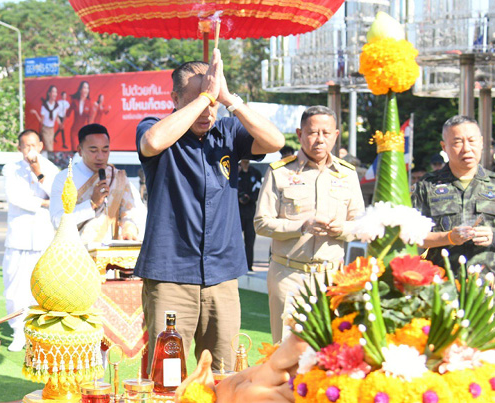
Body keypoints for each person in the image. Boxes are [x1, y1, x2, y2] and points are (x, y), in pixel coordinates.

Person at [136, 49, 285, 372]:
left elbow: (276, 141)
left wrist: (228, 98)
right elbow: (152, 142)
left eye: (212, 101)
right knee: (166, 373)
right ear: (175, 98)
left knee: (225, 372)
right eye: (197, 99)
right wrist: (205, 97)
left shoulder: (228, 130)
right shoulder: (156, 126)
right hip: (170, 274)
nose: (208, 110)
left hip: (221, 274)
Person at [254, 105, 364, 343]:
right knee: (284, 350)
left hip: (331, 276)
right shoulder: (279, 172)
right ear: (300, 133)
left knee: (328, 347)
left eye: (326, 133)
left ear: (336, 135)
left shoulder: (348, 174)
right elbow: (261, 223)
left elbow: (361, 225)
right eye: (313, 132)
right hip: (288, 274)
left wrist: (343, 229)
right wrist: (301, 227)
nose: (319, 139)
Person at [413, 115, 495, 280]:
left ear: (482, 143)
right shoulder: (427, 185)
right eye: (457, 143)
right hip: (441, 283)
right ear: (444, 146)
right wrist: (448, 237)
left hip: (486, 283)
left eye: (472, 141)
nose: (466, 148)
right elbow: (415, 236)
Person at [2, 130, 59, 351]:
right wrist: (42, 203)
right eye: (26, 146)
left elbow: (56, 195)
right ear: (19, 148)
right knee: (15, 288)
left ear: (41, 146)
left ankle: (40, 331)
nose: (30, 150)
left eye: (33, 145)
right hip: (19, 237)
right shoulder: (11, 169)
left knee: (43, 287)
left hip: (44, 237)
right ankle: (18, 331)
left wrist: (38, 171)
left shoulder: (51, 169)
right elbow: (15, 198)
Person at [50, 123, 141, 244]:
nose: (100, 156)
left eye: (105, 150)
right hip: (75, 253)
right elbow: (57, 221)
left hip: (110, 255)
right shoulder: (65, 179)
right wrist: (92, 204)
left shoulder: (117, 177)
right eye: (93, 150)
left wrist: (128, 229)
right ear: (80, 150)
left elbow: (130, 212)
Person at [237, 159, 263, 271]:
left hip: (250, 211)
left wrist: (249, 197)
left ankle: (248, 265)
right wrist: (240, 196)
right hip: (236, 212)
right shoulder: (235, 171)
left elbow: (258, 190)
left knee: (250, 240)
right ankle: (236, 266)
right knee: (235, 241)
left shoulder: (255, 173)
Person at [30, 85, 59, 152]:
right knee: (49, 147)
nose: (55, 94)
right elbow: (41, 120)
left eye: (56, 92)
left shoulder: (56, 106)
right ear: (49, 94)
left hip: (52, 129)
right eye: (53, 92)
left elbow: (56, 117)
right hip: (45, 129)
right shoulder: (45, 106)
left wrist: (61, 123)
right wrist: (36, 113)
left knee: (50, 146)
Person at [69, 81, 92, 150]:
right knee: (75, 151)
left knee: (84, 152)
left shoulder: (89, 103)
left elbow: (90, 120)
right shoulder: (75, 101)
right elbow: (67, 114)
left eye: (87, 88)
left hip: (84, 132)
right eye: (84, 88)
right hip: (74, 131)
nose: (86, 90)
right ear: (80, 90)